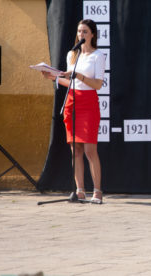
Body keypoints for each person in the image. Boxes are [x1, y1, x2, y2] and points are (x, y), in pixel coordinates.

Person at [42, 19, 106, 204]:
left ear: (92, 34)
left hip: (88, 103)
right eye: (79, 31)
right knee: (75, 150)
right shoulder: (72, 54)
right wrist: (53, 77)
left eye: (85, 31)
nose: (81, 35)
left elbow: (98, 84)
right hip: (72, 102)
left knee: (90, 150)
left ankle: (97, 191)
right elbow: (70, 82)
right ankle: (80, 191)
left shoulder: (98, 56)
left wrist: (78, 75)